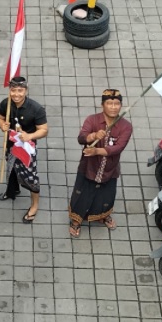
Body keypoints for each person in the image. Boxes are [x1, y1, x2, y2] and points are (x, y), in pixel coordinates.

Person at [68, 89, 133, 238]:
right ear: (102, 104)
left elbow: (118, 148)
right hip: (89, 167)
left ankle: (103, 215)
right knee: (82, 195)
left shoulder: (126, 126)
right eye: (109, 103)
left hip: (110, 169)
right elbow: (81, 138)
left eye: (116, 103)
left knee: (106, 196)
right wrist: (94, 136)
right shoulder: (92, 120)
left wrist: (97, 152)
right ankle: (76, 221)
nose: (113, 107)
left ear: (121, 106)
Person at [0, 76, 48, 223]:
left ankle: (34, 205)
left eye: (20, 90)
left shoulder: (36, 109)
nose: (16, 94)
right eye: (13, 90)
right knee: (11, 169)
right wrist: (2, 125)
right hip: (11, 145)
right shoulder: (6, 103)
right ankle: (12, 190)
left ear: (26, 90)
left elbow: (44, 130)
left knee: (31, 177)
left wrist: (30, 135)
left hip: (26, 149)